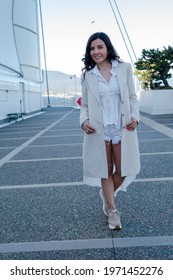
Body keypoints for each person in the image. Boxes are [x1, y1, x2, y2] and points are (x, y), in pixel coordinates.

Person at [80, 32, 140, 230]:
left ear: (107, 48)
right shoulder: (88, 75)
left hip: (122, 126)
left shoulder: (123, 69)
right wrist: (84, 121)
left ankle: (107, 194)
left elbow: (132, 97)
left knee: (124, 169)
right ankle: (113, 211)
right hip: (99, 129)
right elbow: (85, 105)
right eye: (92, 48)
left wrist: (135, 117)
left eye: (100, 47)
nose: (96, 52)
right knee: (105, 170)